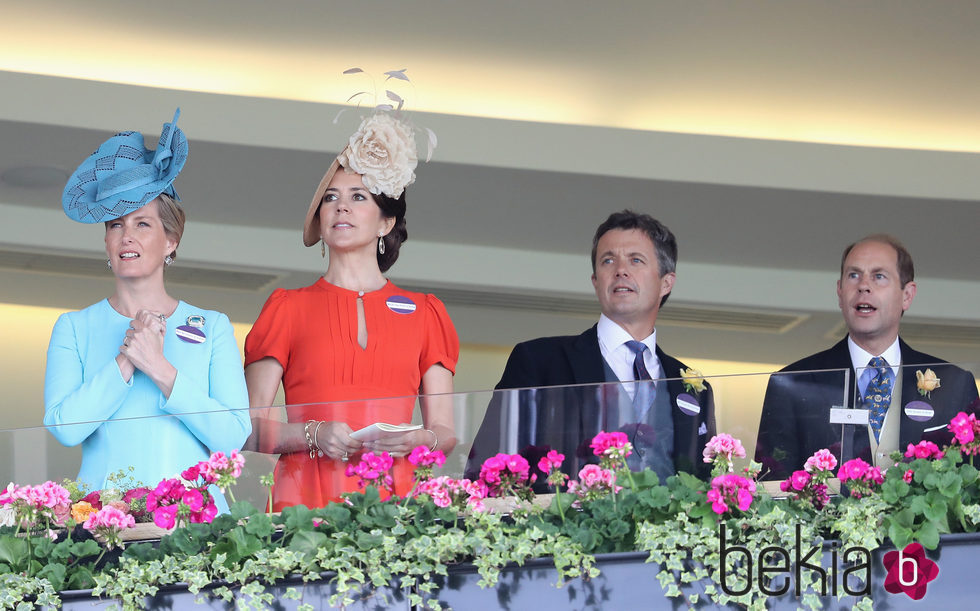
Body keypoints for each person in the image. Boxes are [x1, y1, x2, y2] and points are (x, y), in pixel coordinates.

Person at [244, 111, 459, 510]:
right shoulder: (286, 308)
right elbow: (248, 429)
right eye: (331, 198)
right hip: (304, 496)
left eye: (358, 197)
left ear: (385, 222)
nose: (341, 207)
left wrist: (420, 440)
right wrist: (312, 434)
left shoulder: (426, 312)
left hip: (397, 497)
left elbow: (445, 431)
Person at [44, 110, 252, 499]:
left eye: (143, 224)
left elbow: (232, 438)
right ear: (106, 242)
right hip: (105, 524)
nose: (127, 237)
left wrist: (159, 367)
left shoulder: (212, 325)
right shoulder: (73, 327)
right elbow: (66, 429)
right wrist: (127, 360)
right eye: (115, 225)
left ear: (170, 240)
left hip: (192, 524)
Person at [466, 210, 715, 486]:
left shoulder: (690, 384)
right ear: (596, 282)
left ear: (666, 283)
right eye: (608, 261)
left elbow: (705, 482)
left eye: (635, 260)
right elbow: (487, 469)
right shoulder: (539, 361)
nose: (621, 270)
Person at [755, 235, 979, 480]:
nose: (863, 286)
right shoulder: (792, 383)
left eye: (878, 276)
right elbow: (771, 488)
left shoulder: (955, 384)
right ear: (840, 292)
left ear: (907, 295)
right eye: (854, 275)